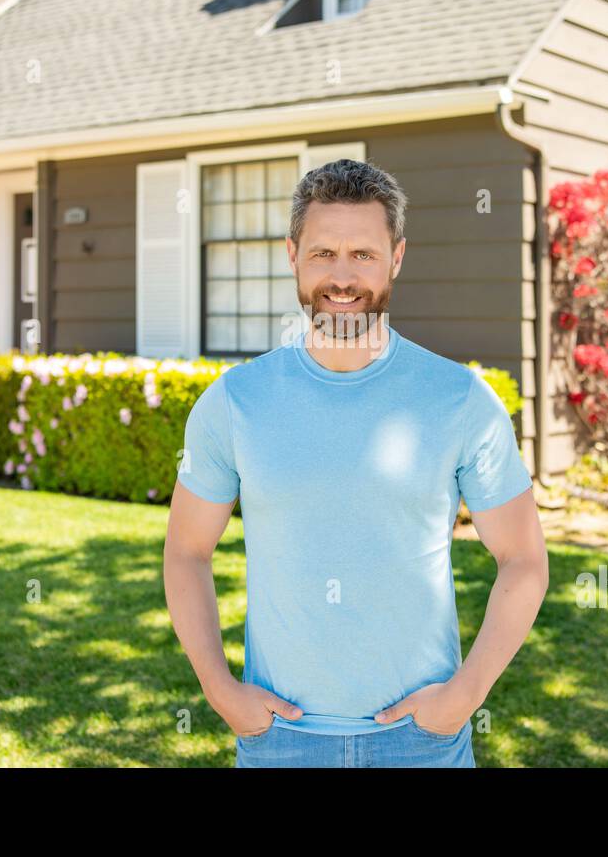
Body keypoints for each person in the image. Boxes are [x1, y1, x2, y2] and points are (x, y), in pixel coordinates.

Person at [163, 158, 548, 767]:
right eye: (323, 254)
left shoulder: (460, 399)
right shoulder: (235, 403)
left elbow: (524, 559)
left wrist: (463, 697)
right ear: (292, 254)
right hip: (280, 743)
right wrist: (220, 690)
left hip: (424, 743)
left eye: (363, 255)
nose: (342, 277)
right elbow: (186, 553)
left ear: (397, 257)